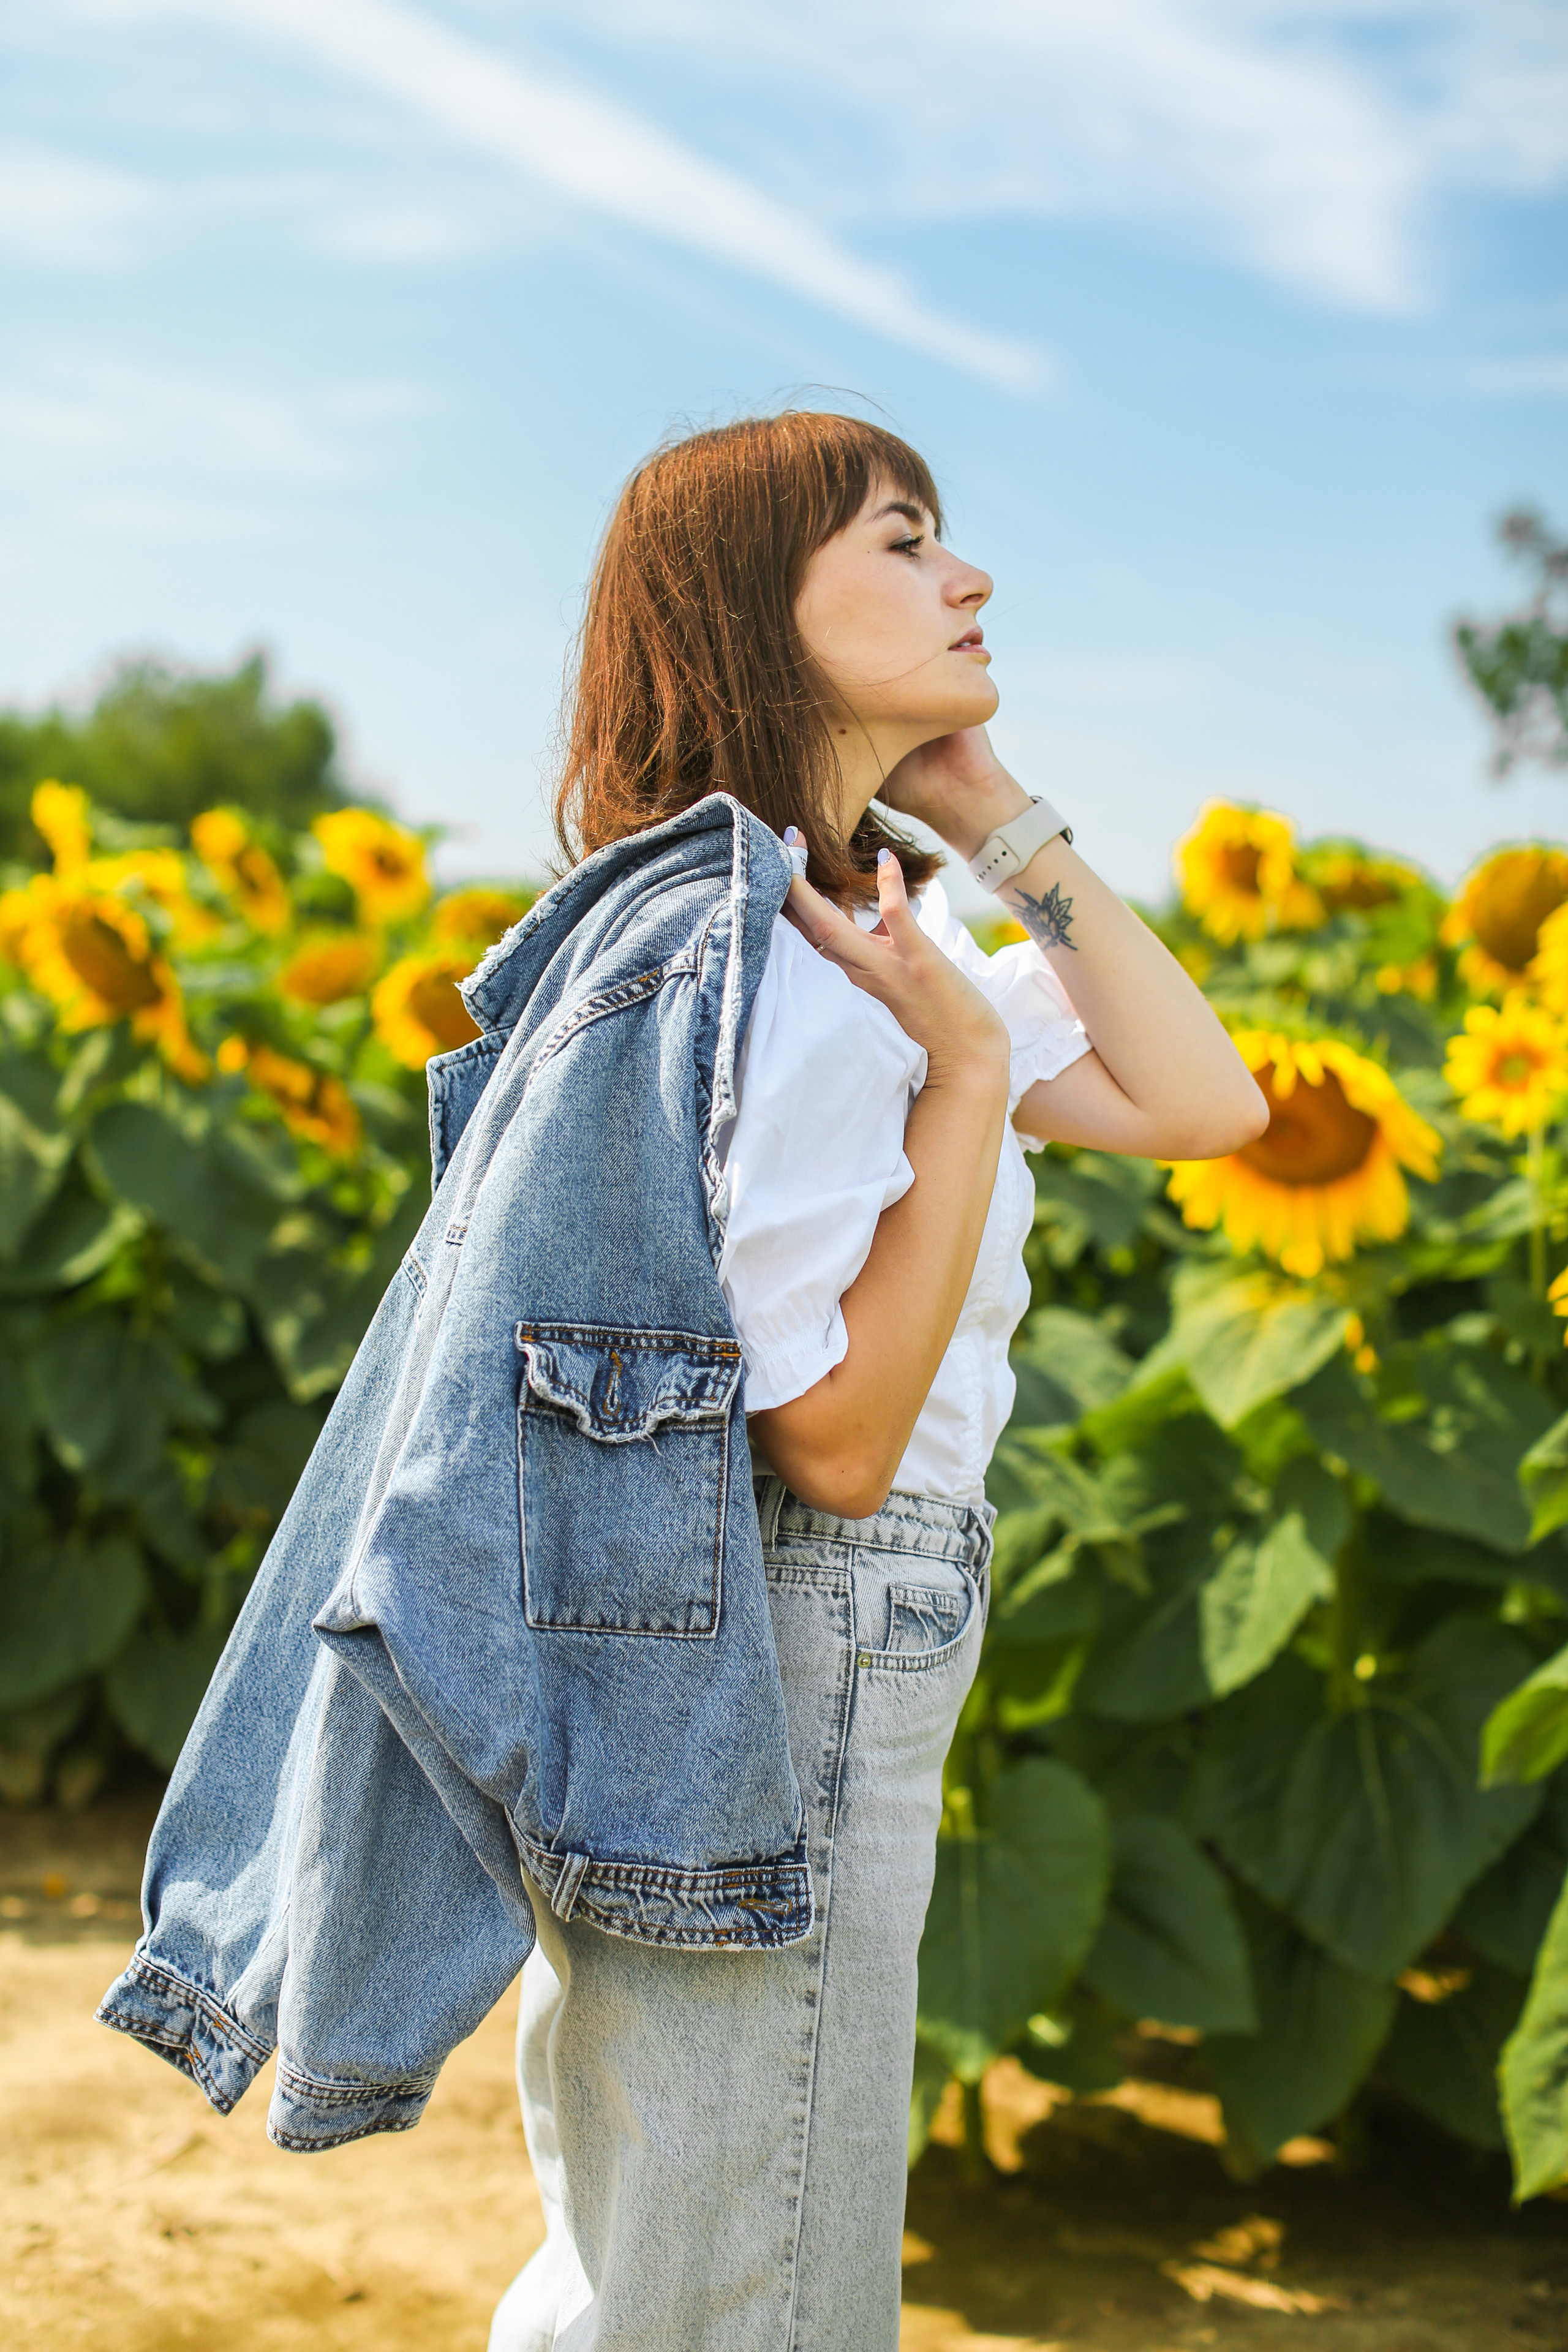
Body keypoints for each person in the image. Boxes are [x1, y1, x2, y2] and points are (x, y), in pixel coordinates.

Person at [486, 412, 1266, 2352]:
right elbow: (829, 1445)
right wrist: (974, 1087)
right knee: (758, 2252)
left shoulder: (846, 944)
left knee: (675, 2210)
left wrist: (996, 814)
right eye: (909, 541)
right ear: (764, 608)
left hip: (748, 1617)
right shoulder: (796, 966)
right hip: (811, 1608)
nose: (969, 577)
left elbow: (1210, 1101)